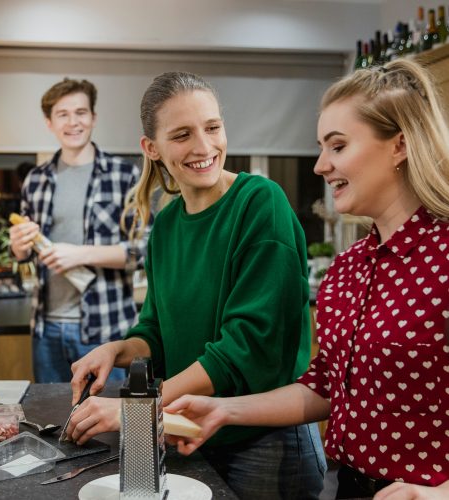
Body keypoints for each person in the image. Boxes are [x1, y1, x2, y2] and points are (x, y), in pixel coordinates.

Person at [164, 59, 449, 499]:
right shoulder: (348, 268)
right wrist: (223, 409)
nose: (319, 165)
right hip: (352, 486)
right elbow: (325, 388)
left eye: (337, 146)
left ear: (399, 146)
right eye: (321, 147)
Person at [64, 71, 325, 499]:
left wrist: (139, 411)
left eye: (213, 127)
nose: (204, 147)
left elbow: (245, 349)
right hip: (188, 434)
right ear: (152, 149)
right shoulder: (166, 224)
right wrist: (116, 349)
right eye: (182, 135)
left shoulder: (261, 203)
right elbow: (156, 330)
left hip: (265, 445)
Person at [9, 78, 149, 383]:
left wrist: (80, 254)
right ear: (49, 123)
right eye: (63, 114)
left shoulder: (124, 175)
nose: (73, 122)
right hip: (46, 331)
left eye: (81, 112)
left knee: (111, 425)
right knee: (53, 425)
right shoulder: (36, 179)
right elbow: (24, 256)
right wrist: (19, 247)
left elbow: (146, 250)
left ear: (93, 118)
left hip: (106, 330)